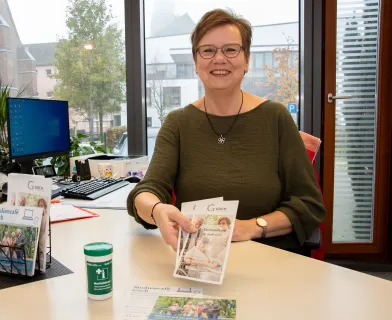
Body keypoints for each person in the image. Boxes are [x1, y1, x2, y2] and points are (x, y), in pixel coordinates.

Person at [126, 8, 326, 253]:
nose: (219, 59)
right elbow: (146, 192)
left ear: (246, 60)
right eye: (207, 50)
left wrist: (251, 227)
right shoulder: (177, 123)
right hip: (197, 259)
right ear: (196, 62)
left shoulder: (276, 117)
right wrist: (157, 210)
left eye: (231, 49)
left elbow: (309, 204)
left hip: (270, 256)